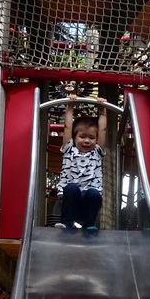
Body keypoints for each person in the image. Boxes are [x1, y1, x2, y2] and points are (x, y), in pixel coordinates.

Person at [56, 94, 107, 231]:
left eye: (91, 137)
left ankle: (89, 224)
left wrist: (102, 110)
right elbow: (67, 127)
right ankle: (66, 223)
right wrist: (70, 107)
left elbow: (102, 129)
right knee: (71, 187)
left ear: (96, 140)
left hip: (89, 201)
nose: (87, 141)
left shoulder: (96, 151)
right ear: (74, 137)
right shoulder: (69, 149)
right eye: (82, 136)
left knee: (94, 193)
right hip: (72, 199)